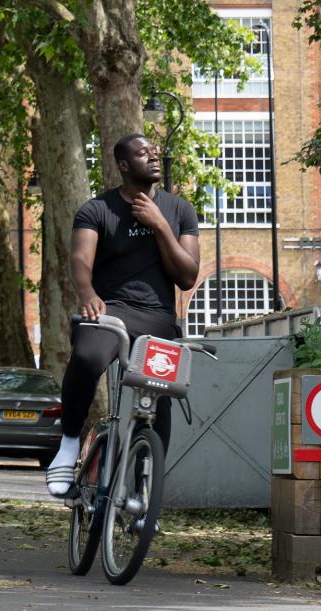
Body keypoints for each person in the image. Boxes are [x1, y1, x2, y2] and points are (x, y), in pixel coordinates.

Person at [46, 134, 201, 498]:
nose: (153, 156)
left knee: (158, 395)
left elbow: (187, 276)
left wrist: (160, 224)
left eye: (155, 151)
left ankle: (146, 492)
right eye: (143, 153)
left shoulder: (180, 210)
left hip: (156, 317)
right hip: (108, 309)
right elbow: (80, 259)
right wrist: (87, 293)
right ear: (124, 165)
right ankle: (68, 446)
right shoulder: (96, 209)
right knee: (85, 358)